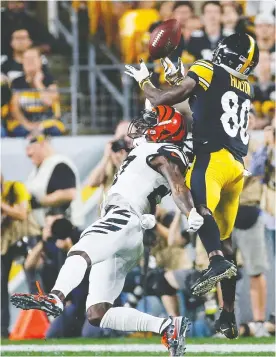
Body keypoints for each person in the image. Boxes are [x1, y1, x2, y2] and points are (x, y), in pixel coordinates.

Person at [11, 105, 204, 356]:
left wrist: (190, 212)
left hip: (123, 217)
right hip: (129, 229)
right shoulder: (152, 149)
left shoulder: (163, 152)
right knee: (97, 313)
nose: (143, 126)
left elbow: (178, 186)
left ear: (164, 131)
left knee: (81, 249)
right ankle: (168, 326)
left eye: (152, 123)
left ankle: (55, 297)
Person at [125, 32, 259, 339]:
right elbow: (199, 97)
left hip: (211, 158)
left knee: (197, 211)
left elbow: (162, 99)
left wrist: (145, 80)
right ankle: (227, 315)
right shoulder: (245, 85)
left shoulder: (208, 68)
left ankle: (214, 261)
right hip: (237, 167)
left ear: (223, 52)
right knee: (223, 239)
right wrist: (176, 71)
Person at [1, 174, 40, 338]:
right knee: (1, 286)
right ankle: (3, 330)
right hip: (5, 244)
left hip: (26, 239)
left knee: (34, 282)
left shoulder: (15, 187)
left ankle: (40, 324)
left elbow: (22, 213)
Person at [25, 132, 83, 229]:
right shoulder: (39, 168)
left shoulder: (59, 165)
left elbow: (69, 194)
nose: (27, 153)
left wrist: (38, 201)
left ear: (42, 143)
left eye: (30, 146)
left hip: (63, 232)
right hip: (46, 230)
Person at [9, 47, 65, 137]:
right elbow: (15, 109)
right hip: (24, 123)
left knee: (53, 131)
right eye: (26, 59)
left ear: (40, 61)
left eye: (32, 59)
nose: (29, 62)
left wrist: (38, 82)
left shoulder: (49, 80)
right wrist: (27, 124)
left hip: (47, 123)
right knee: (20, 131)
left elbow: (49, 102)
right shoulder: (17, 82)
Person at [253, 50, 275, 128]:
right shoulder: (249, 86)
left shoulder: (274, 86)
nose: (262, 64)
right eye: (259, 60)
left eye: (265, 60)